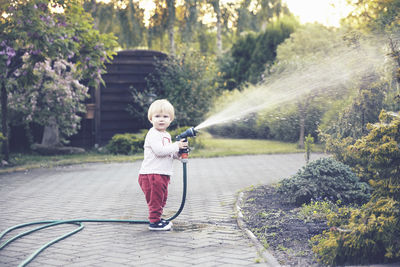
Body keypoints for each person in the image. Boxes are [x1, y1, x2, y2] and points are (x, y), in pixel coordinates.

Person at [138, 99, 188, 231]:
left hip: (162, 173)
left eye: (165, 116)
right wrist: (176, 145)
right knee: (156, 199)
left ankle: (158, 218)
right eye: (157, 116)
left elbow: (168, 153)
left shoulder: (166, 135)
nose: (161, 119)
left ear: (171, 120)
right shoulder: (153, 134)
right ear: (151, 119)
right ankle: (154, 222)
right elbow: (160, 151)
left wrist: (179, 154)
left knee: (161, 198)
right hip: (152, 174)